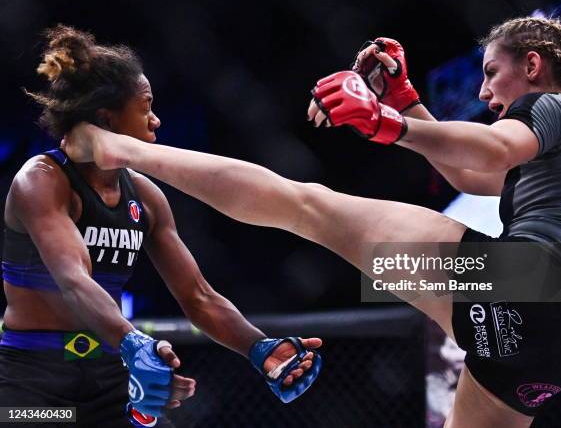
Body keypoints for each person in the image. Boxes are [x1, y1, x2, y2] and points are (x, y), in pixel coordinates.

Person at [63, 17, 561, 427]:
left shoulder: (555, 108)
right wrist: (406, 103)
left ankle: (121, 150)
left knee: (306, 206)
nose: (484, 91)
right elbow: (474, 176)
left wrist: (384, 122)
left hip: (516, 280)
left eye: (493, 73)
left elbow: (491, 151)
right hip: (557, 345)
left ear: (535, 64)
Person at [1, 25, 322, 428]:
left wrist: (259, 348)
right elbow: (74, 280)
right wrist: (135, 343)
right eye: (146, 106)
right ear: (107, 117)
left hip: (109, 374)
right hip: (32, 381)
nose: (155, 120)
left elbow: (199, 296)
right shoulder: (42, 180)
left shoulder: (146, 197)